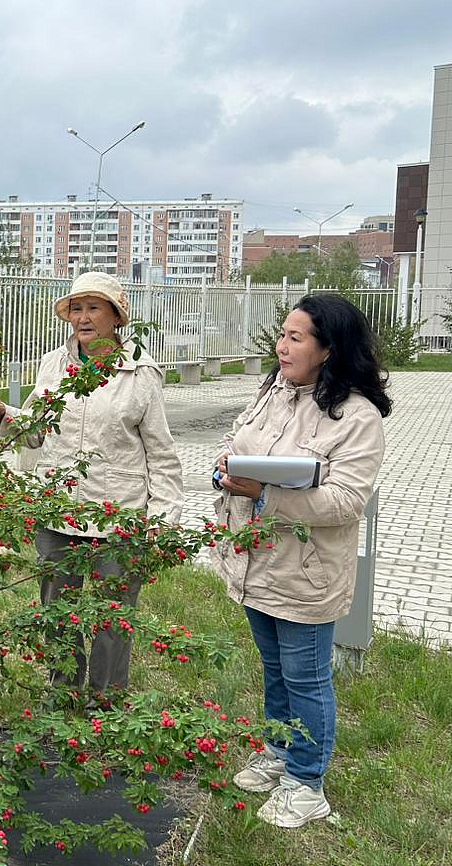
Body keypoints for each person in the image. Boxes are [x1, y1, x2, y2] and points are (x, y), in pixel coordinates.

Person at [214, 293, 389, 828]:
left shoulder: (356, 417)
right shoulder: (273, 390)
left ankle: (306, 781)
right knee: (275, 670)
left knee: (307, 677)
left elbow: (344, 502)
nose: (280, 346)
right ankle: (278, 751)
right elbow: (238, 439)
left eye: (295, 338)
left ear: (328, 349)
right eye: (281, 335)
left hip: (306, 572)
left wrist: (264, 493)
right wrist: (226, 467)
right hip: (255, 559)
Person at [0, 271, 182, 704]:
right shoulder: (54, 364)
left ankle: (107, 697)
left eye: (93, 308)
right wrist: (1, 415)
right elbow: (34, 431)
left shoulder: (140, 372)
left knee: (112, 612)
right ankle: (64, 690)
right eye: (76, 309)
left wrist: (162, 518)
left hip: (117, 512)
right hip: (58, 506)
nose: (83, 318)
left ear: (116, 316)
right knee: (58, 606)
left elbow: (161, 453)